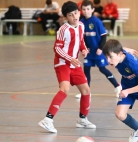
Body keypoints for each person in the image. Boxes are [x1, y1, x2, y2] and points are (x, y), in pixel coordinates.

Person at [38, 1, 96, 133]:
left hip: (74, 64)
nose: (75, 16)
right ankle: (48, 119)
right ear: (65, 17)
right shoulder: (63, 30)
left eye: (76, 13)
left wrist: (84, 49)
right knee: (65, 90)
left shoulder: (81, 25)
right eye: (70, 15)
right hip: (63, 64)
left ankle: (82, 119)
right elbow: (57, 49)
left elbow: (81, 41)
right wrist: (70, 59)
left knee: (86, 90)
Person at [75, 0, 121, 99]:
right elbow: (82, 38)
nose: (86, 11)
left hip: (98, 52)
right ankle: (87, 91)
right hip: (89, 52)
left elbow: (104, 36)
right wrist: (85, 48)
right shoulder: (81, 23)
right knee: (86, 69)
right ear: (81, 10)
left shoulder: (97, 22)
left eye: (88, 9)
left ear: (92, 10)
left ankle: (117, 87)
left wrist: (100, 48)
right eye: (84, 9)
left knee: (102, 69)